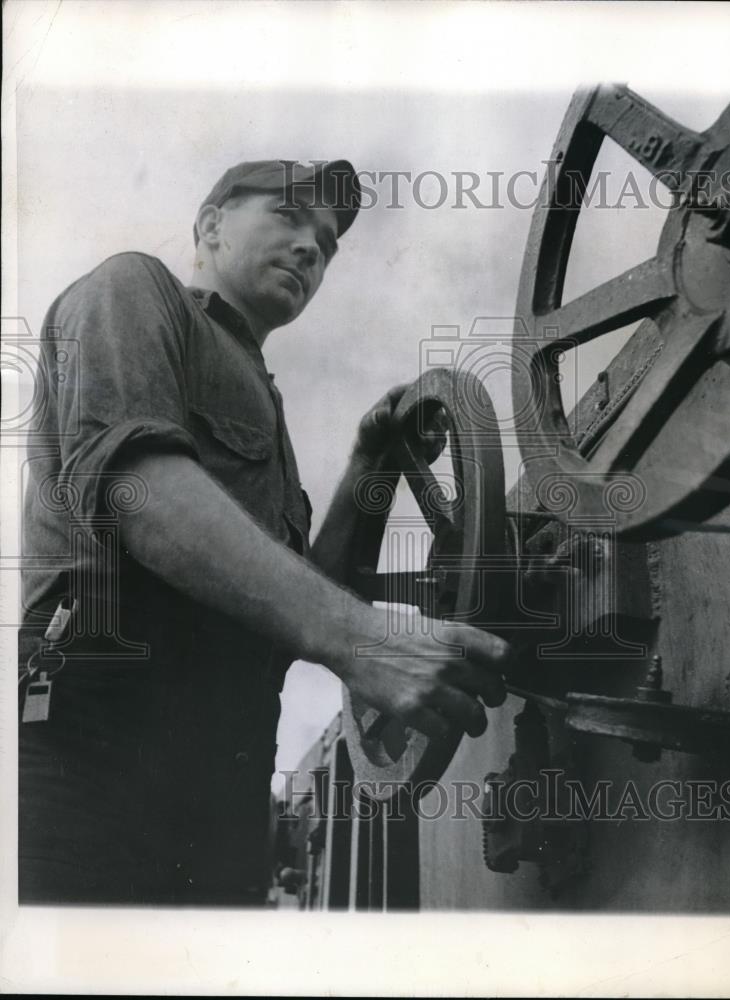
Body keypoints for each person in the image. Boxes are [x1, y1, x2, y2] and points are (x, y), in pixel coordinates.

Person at [18, 159, 511, 906]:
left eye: (326, 241)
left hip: (227, 780)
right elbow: (142, 493)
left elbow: (295, 608)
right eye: (287, 215)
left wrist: (369, 468)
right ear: (211, 225)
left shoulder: (264, 400)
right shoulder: (131, 290)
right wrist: (366, 642)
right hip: (96, 753)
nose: (312, 248)